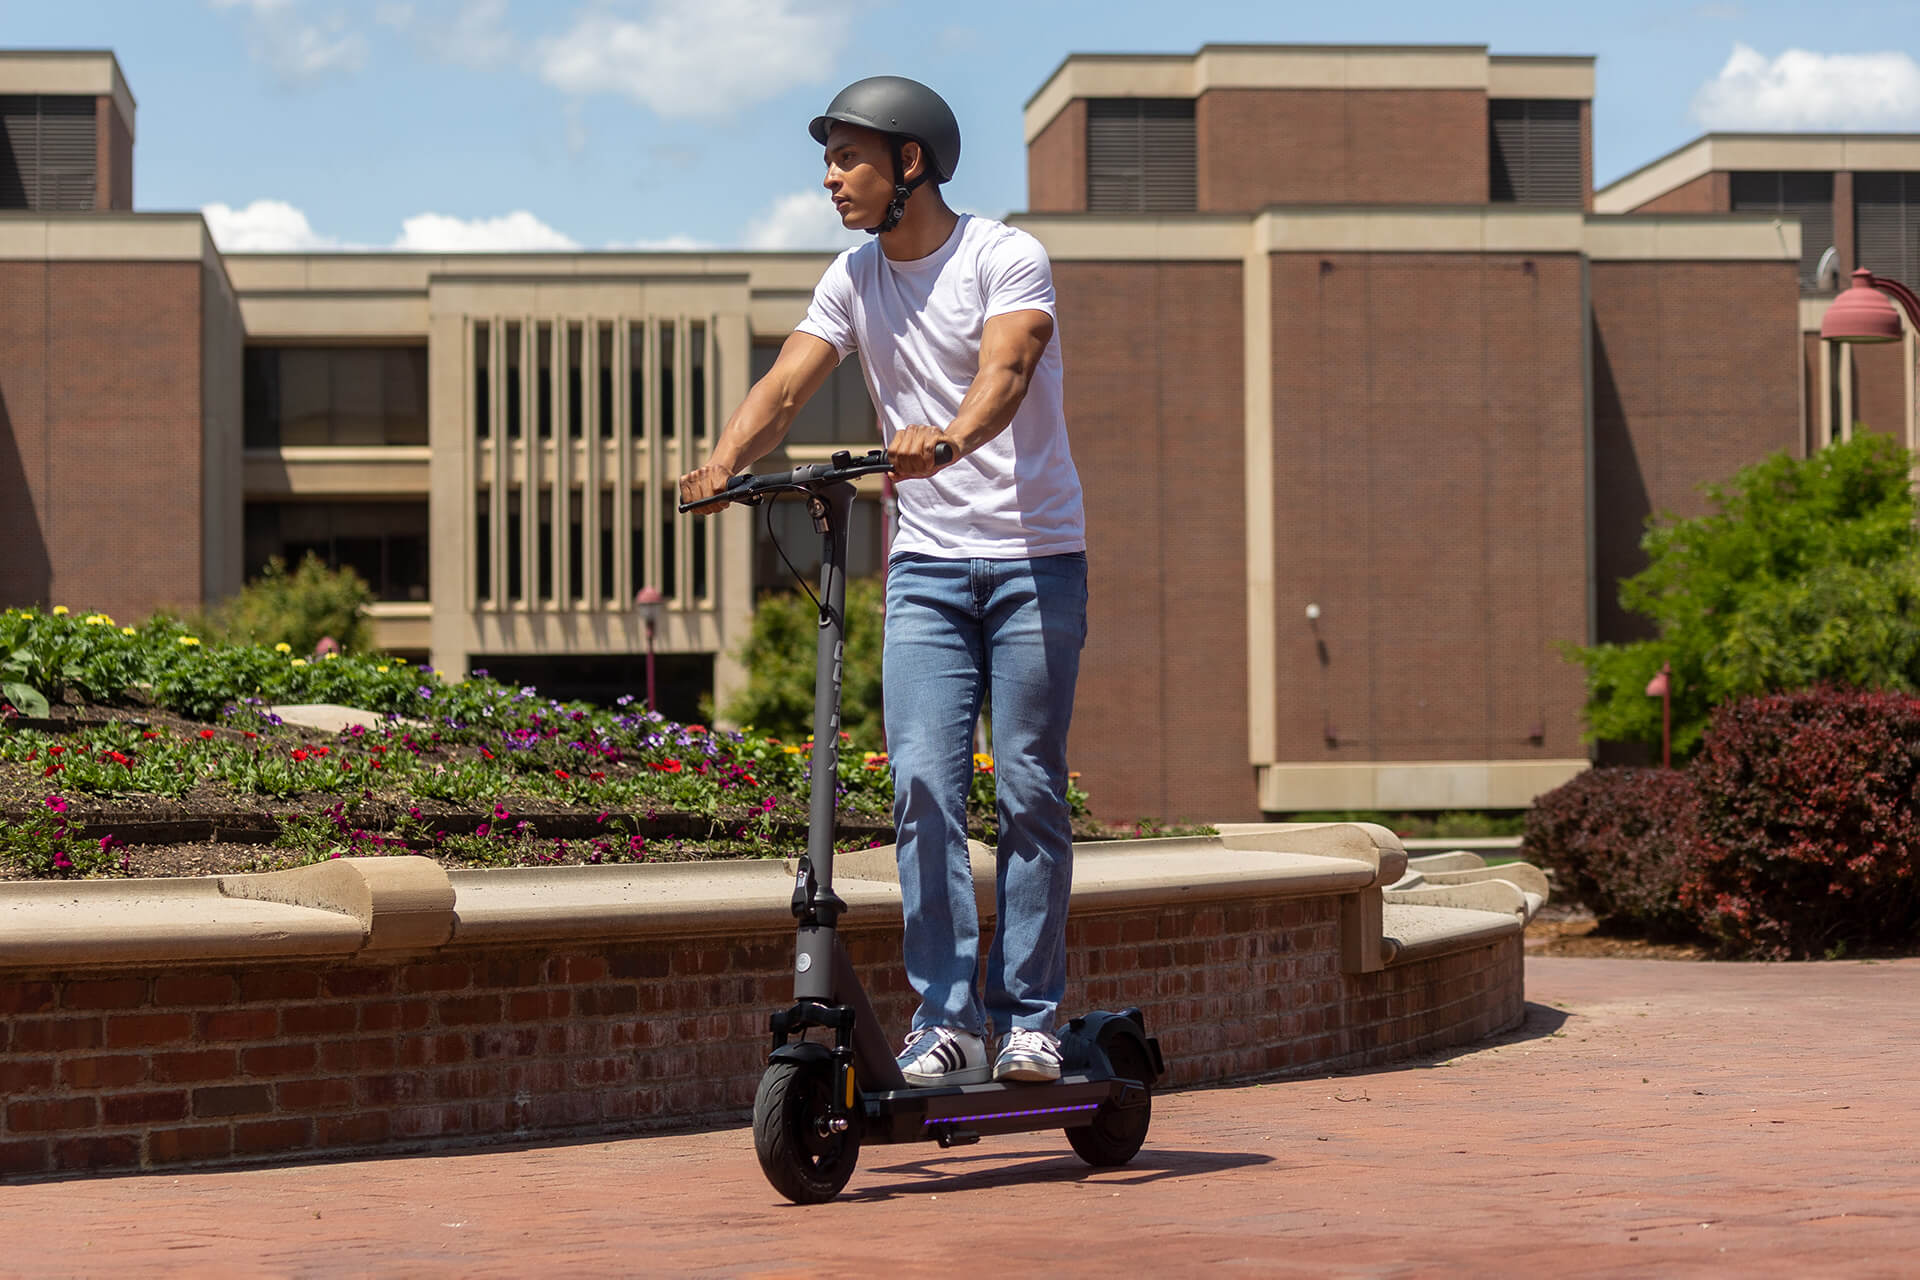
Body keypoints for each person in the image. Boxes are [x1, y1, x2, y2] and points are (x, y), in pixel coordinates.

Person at [679, 76, 1086, 1088]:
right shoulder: (853, 277)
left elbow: (1008, 370)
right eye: (827, 160)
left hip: (1035, 557)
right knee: (922, 788)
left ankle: (1029, 1019)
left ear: (911, 162)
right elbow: (786, 383)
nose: (831, 178)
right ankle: (948, 1020)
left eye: (849, 158)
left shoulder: (1004, 255)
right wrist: (723, 460)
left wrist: (947, 438)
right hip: (927, 571)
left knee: (1029, 787)